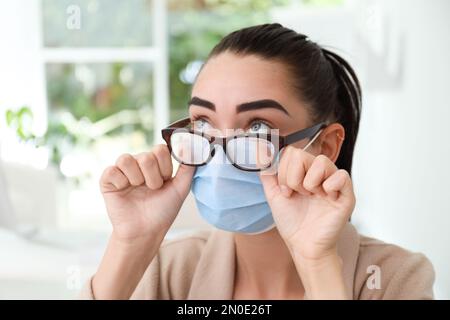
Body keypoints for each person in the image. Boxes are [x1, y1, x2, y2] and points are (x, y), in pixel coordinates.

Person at [79, 23, 434, 300]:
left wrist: (318, 266)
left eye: (258, 126)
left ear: (325, 146)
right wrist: (130, 245)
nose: (219, 154)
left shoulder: (395, 278)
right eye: (202, 122)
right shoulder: (169, 270)